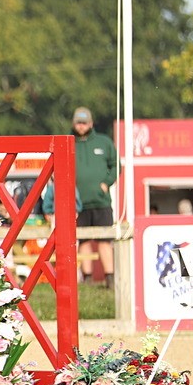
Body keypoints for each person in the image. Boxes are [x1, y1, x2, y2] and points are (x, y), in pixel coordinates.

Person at [72, 106, 118, 287]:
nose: (81, 126)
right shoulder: (69, 142)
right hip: (78, 203)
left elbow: (116, 165)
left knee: (104, 240)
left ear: (91, 123)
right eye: (78, 123)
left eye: (84, 123)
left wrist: (106, 183)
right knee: (82, 240)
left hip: (101, 202)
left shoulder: (104, 142)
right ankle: (88, 279)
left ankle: (110, 278)